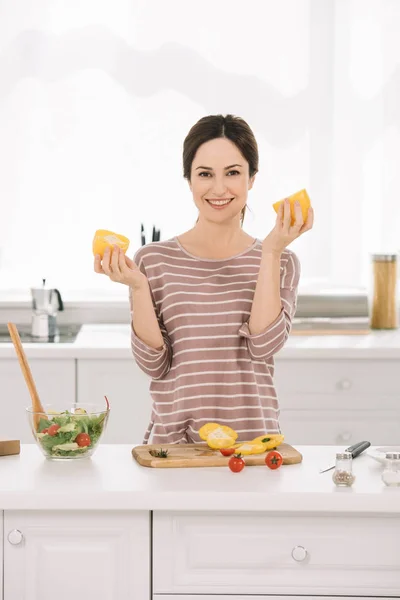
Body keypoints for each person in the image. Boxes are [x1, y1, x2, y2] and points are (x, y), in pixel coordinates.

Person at [94, 114, 314, 444]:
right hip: (174, 447)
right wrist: (138, 286)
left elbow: (264, 346)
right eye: (205, 174)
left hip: (252, 447)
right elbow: (154, 364)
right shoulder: (153, 261)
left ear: (252, 178)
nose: (219, 188)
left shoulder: (281, 261)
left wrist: (270, 253)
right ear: (189, 179)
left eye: (233, 173)